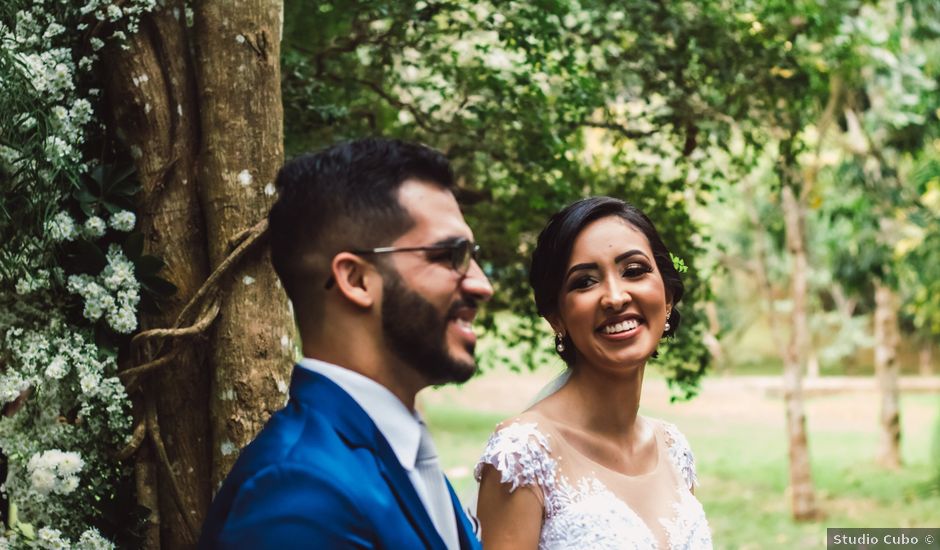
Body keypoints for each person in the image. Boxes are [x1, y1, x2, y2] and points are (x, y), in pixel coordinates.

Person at [199, 138, 492, 549]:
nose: (483, 285)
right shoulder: (297, 494)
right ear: (356, 280)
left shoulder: (395, 451)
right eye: (449, 256)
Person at [474, 196, 712, 549]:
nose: (615, 297)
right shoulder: (523, 452)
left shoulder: (673, 447)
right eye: (584, 282)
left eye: (634, 271)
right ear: (557, 317)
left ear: (667, 299)